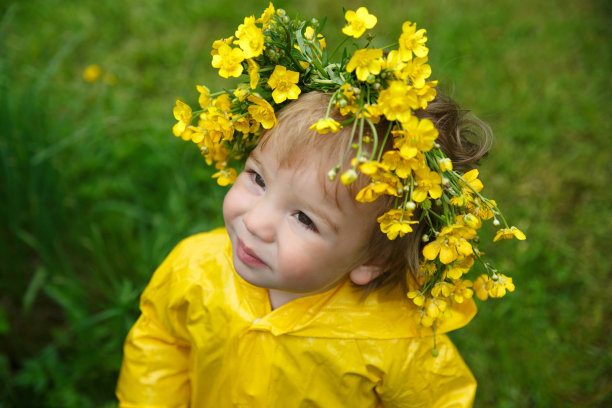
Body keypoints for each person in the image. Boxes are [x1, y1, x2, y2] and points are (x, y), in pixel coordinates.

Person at [117, 4, 524, 407]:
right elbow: (160, 339)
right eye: (258, 178)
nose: (256, 222)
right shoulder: (195, 269)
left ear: (373, 261)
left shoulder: (396, 343)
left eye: (304, 219)